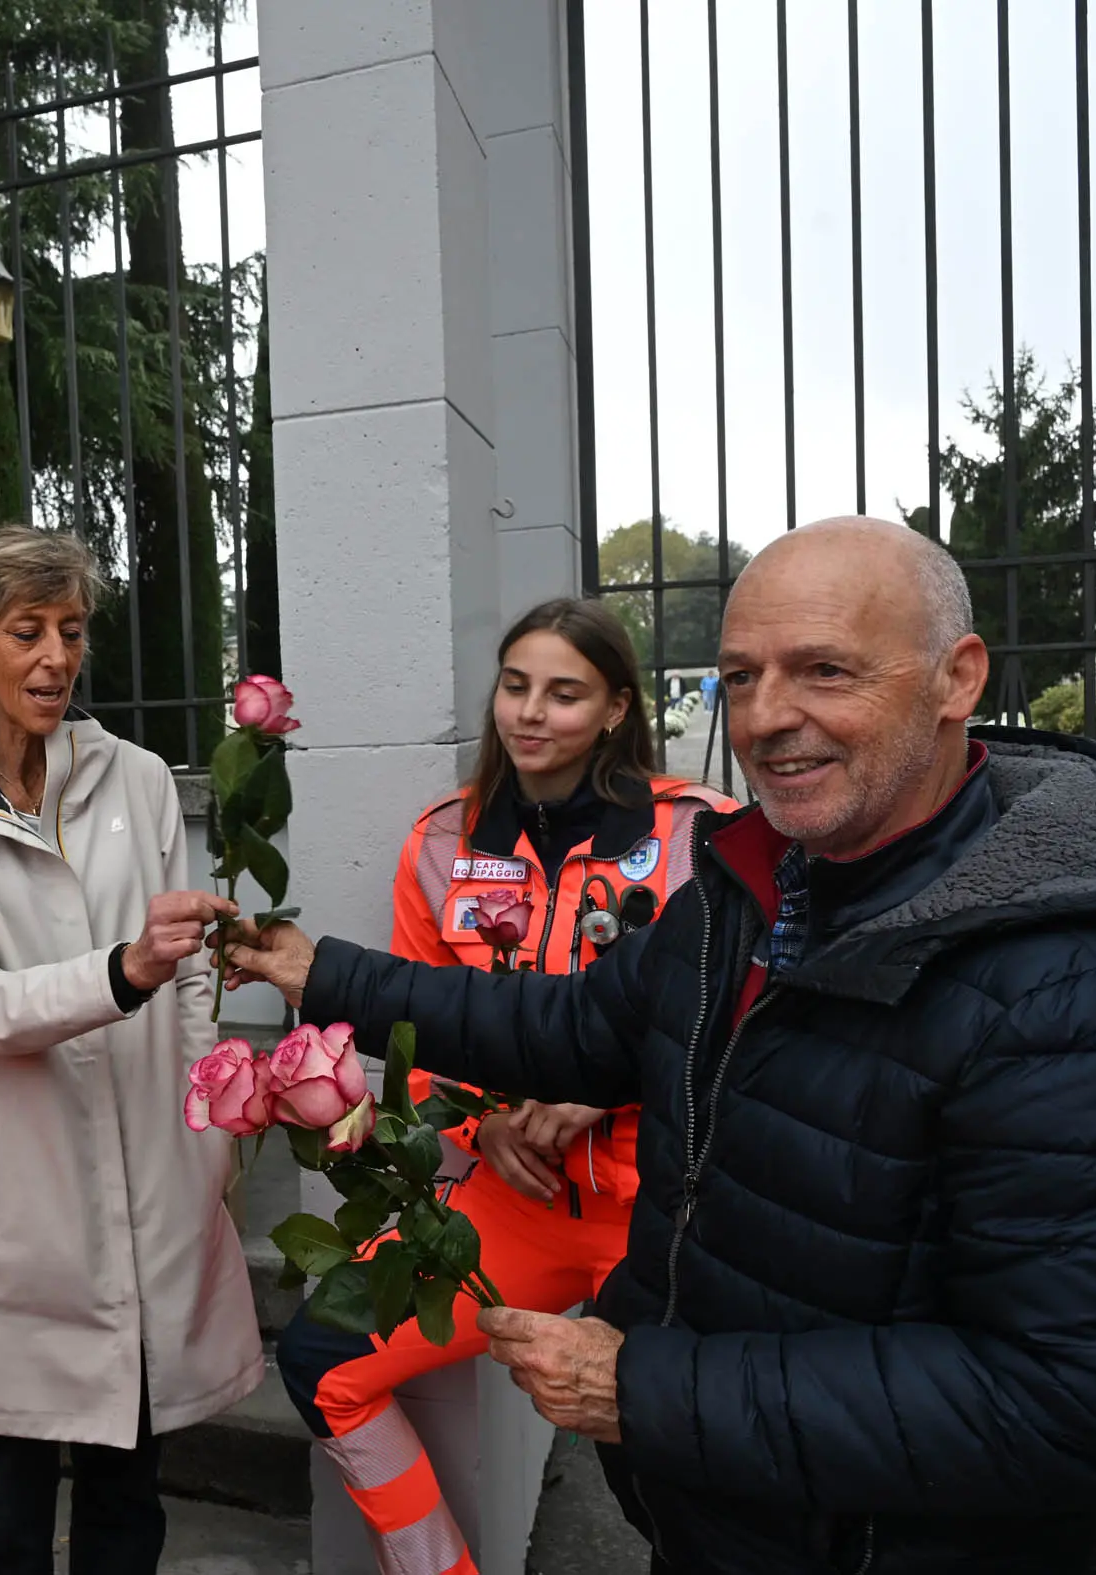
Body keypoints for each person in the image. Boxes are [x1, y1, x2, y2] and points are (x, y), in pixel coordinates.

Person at [223, 518, 1096, 1574]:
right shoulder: (748, 887)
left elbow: (1080, 1403)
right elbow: (572, 1026)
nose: (768, 716)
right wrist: (322, 974)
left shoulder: (1078, 977)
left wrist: (641, 1391)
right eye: (739, 676)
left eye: (823, 670)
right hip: (714, 1522)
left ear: (956, 679)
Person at [275, 598, 733, 1575]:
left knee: (685, 1470)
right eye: (515, 686)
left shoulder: (703, 836)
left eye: (563, 694)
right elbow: (414, 1026)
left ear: (614, 710)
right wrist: (481, 1128)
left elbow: (736, 1021)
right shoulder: (440, 842)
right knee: (321, 1361)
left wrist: (600, 1083)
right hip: (512, 1200)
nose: (529, 713)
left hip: (662, 1213)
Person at [0, 525, 264, 1575]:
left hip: (150, 1183)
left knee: (128, 1497)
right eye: (26, 631)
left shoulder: (134, 779)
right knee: (5, 1507)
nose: (56, 657)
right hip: (16, 1199)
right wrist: (119, 971)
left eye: (71, 630)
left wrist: (204, 1126)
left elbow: (190, 969)